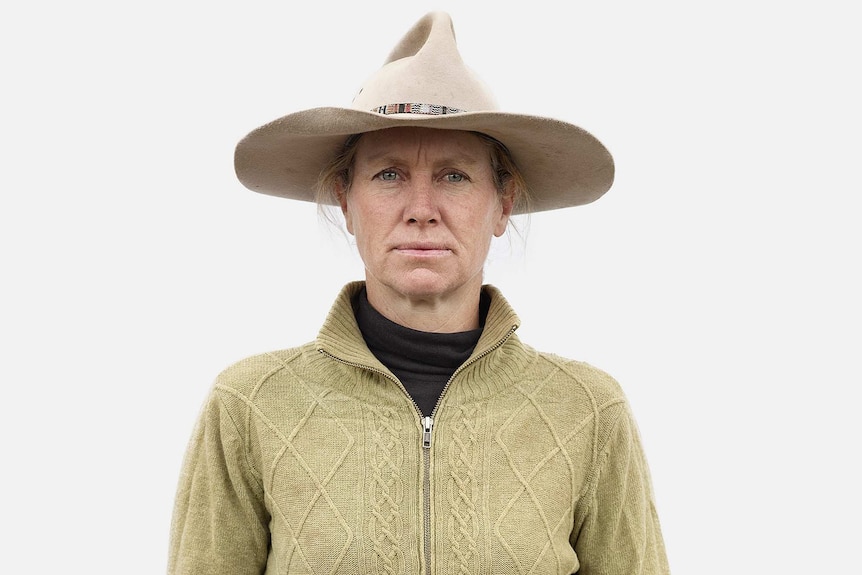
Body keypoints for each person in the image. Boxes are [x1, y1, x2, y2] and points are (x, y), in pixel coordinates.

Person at [168, 11, 670, 575]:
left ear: (502, 205)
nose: (422, 210)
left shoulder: (588, 411)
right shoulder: (249, 406)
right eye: (389, 174)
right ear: (345, 200)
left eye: (455, 175)